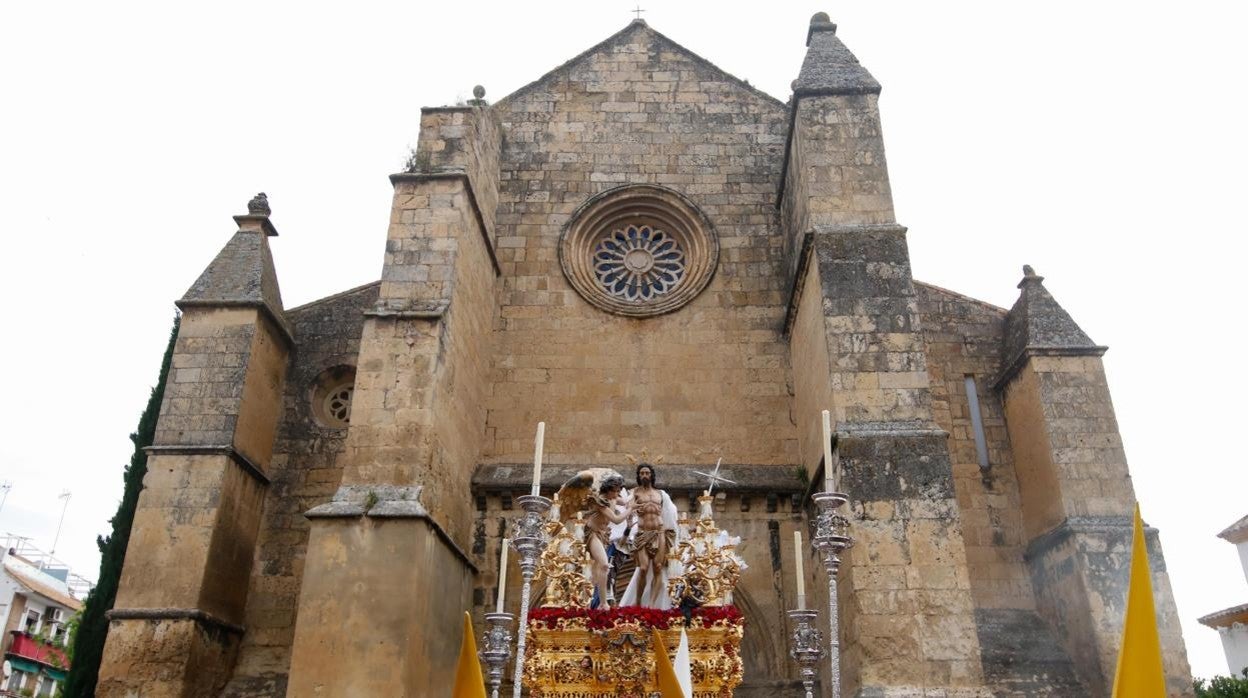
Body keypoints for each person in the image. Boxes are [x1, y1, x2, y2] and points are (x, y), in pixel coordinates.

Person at [619, 463, 679, 608]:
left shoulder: (661, 494)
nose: (644, 475)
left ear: (651, 475)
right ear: (638, 476)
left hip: (659, 532)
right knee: (644, 568)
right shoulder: (635, 493)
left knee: (658, 567)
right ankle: (638, 602)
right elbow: (626, 505)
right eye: (642, 473)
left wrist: (674, 531)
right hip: (642, 532)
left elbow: (670, 512)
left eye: (647, 473)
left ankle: (652, 605)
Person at [583, 474, 632, 609]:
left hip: (602, 536)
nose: (616, 494)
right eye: (614, 491)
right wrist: (631, 509)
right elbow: (616, 519)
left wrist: (638, 496)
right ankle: (603, 603)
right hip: (592, 533)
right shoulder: (601, 501)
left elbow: (627, 501)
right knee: (604, 565)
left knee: (597, 571)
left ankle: (590, 602)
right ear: (607, 489)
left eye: (618, 491)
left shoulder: (614, 498)